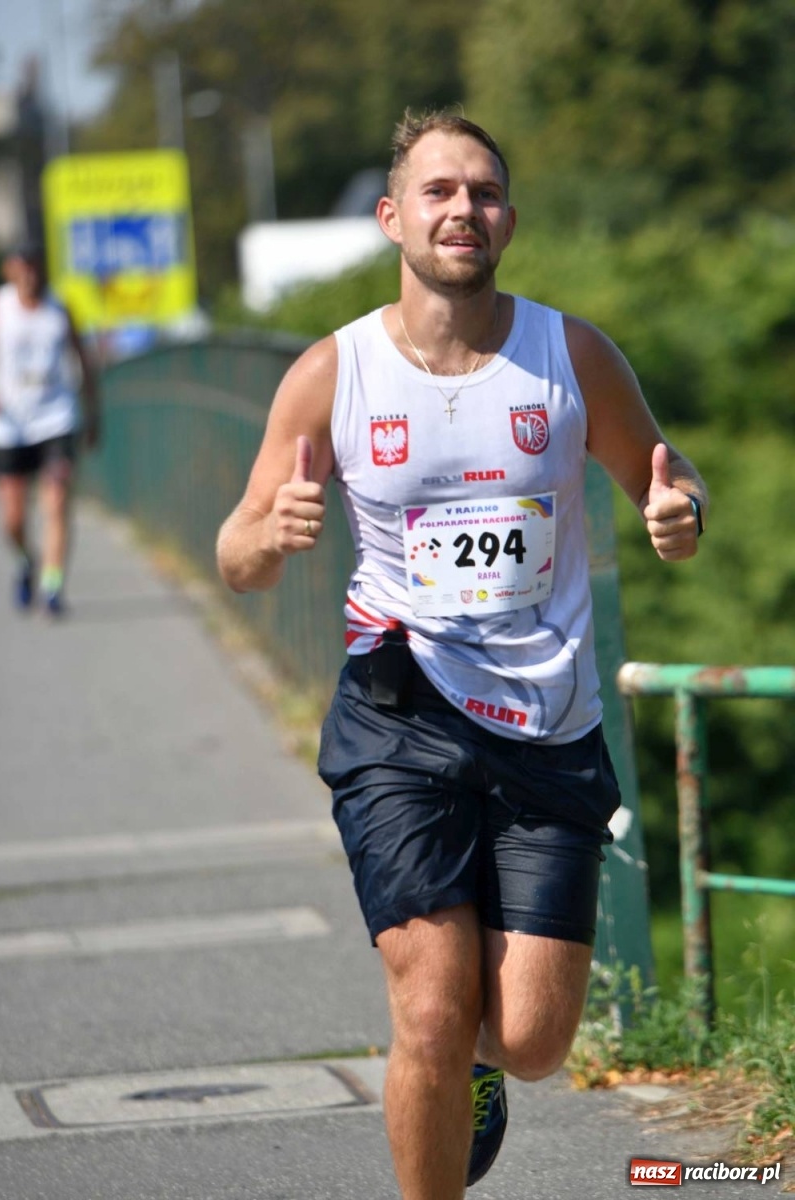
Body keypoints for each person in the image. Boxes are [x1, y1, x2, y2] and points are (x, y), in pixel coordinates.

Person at [216, 109, 708, 1199]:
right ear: (392, 218)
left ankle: (481, 1071)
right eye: (437, 191)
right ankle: (441, 1092)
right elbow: (236, 553)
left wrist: (678, 510)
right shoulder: (330, 374)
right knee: (430, 1009)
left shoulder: (567, 354)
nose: (461, 210)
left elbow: (663, 477)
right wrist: (270, 533)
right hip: (399, 714)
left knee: (528, 1039)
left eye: (481, 192)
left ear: (508, 221)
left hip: (545, 724)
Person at [0, 241, 100, 615]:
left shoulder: (60, 309)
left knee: (56, 500)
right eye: (23, 268)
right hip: (10, 425)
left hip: (55, 418)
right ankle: (27, 562)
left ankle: (53, 586)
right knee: (13, 519)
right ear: (11, 270)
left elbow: (84, 361)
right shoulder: (0, 309)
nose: (30, 275)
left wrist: (93, 414)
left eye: (35, 267)